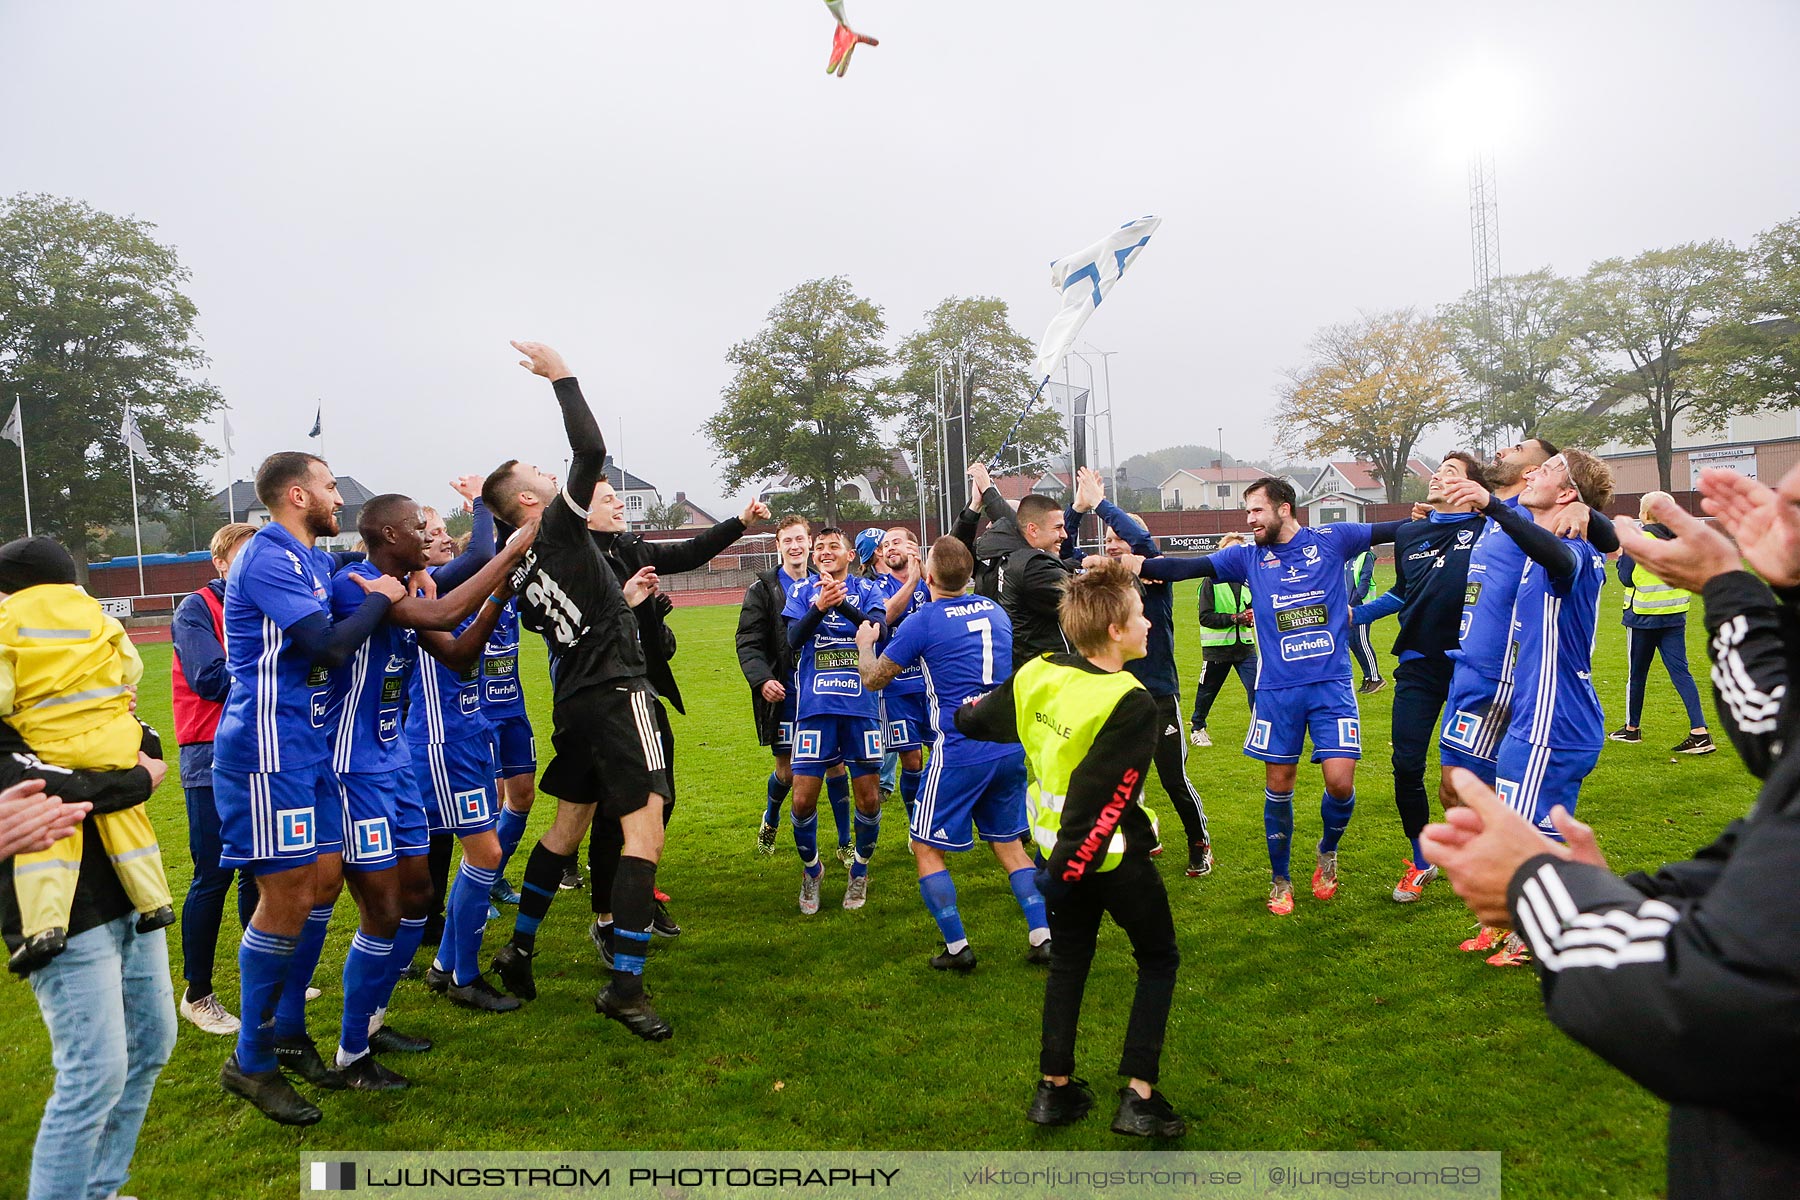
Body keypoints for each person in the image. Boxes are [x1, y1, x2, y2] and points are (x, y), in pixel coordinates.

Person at [480, 340, 674, 1042]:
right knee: (643, 825)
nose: (552, 472)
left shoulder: (523, 564)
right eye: (539, 473)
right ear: (533, 499)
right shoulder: (557, 525)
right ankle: (626, 985)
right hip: (618, 692)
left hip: (576, 699)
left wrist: (616, 600)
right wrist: (563, 378)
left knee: (567, 826)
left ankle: (518, 948)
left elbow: (571, 617)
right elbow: (588, 451)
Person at [211, 451, 408, 1125]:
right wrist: (382, 598)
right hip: (268, 751)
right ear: (297, 494)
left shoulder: (310, 560)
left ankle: (288, 1031)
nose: (337, 498)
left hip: (308, 749)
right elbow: (326, 645)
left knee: (321, 882)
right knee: (288, 893)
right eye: (327, 487)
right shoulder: (266, 557)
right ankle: (251, 1059)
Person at [955, 559, 1184, 1138]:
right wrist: (1065, 876)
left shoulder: (1040, 671)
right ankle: (1139, 1095)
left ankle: (1053, 1090)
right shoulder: (1133, 702)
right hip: (1103, 860)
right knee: (1158, 958)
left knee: (1069, 963)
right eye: (1139, 616)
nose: (1148, 625)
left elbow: (982, 720)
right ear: (1114, 632)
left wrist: (961, 712)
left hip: (1057, 855)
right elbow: (1101, 804)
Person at [1121, 477, 1402, 916]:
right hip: (1276, 692)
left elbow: (1396, 531)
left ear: (1284, 508)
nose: (1249, 519)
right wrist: (1139, 564)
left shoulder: (1333, 538)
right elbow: (1185, 567)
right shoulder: (1245, 557)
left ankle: (1327, 852)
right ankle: (1280, 878)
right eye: (1246, 512)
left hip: (1331, 686)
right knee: (1279, 785)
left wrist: (1438, 516)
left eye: (1256, 511)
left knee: (1340, 783)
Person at [1435, 436, 1618, 958]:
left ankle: (1544, 934)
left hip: (1554, 718)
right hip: (1532, 715)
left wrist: (1491, 504)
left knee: (1536, 838)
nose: (1532, 474)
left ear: (1567, 496)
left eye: (1549, 470)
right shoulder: (1548, 539)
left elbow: (1560, 554)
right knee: (1521, 831)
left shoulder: (1571, 553)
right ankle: (1525, 925)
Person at [582, 492, 767, 957]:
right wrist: (626, 602)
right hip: (599, 695)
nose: (620, 505)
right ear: (582, 508)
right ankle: (605, 917)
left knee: (659, 800)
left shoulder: (629, 547)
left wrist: (739, 521)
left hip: (642, 688)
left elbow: (689, 553)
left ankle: (637, 891)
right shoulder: (575, 560)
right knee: (609, 810)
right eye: (608, 499)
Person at [855, 536, 1050, 969]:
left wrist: (865, 643)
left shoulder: (923, 621)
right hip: (1006, 744)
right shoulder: (996, 611)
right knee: (1009, 845)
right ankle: (1043, 934)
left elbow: (873, 679)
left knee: (924, 846)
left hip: (959, 749)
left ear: (928, 577)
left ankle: (957, 948)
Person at [2, 726, 171, 1200]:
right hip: (55, 907)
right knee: (94, 1071)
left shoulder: (85, 683)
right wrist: (132, 781)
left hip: (132, 887)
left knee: (152, 1042)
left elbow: (148, 746)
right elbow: (35, 788)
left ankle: (100, 1190)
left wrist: (113, 740)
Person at [0, 536, 172, 976]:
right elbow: (142, 730)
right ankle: (156, 902)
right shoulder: (94, 615)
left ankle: (45, 926)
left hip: (56, 745)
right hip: (110, 745)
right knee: (83, 827)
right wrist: (134, 774)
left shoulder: (7, 621)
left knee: (50, 844)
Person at [1349, 452, 1488, 903]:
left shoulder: (1491, 528)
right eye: (1439, 470)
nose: (1439, 476)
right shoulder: (1409, 532)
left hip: (1474, 668)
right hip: (1417, 665)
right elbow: (1401, 592)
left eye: (1453, 472)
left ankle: (1486, 853)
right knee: (1406, 765)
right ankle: (1421, 860)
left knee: (1466, 777)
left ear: (1471, 489)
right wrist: (1354, 614)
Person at [1070, 468, 1212, 876]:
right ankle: (1141, 837)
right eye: (1110, 539)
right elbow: (1058, 548)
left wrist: (1100, 504)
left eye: (1121, 538)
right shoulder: (1101, 579)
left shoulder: (1155, 573)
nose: (1114, 545)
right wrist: (1078, 509)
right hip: (1112, 694)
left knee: (1173, 779)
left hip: (1157, 693)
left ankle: (1199, 842)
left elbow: (1144, 542)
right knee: (1118, 781)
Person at [170, 520, 261, 1034]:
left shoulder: (265, 601)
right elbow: (209, 679)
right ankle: (198, 994)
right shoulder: (197, 608)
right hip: (207, 753)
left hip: (259, 750)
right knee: (213, 875)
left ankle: (259, 973)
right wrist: (276, 665)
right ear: (221, 563)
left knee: (256, 869)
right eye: (244, 557)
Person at [781, 526, 889, 912]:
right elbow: (793, 639)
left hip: (860, 709)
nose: (826, 551)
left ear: (848, 555)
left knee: (869, 798)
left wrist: (838, 603)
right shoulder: (800, 591)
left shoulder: (869, 589)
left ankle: (859, 871)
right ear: (813, 557)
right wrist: (819, 606)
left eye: (834, 547)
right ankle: (812, 871)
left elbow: (878, 630)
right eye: (820, 547)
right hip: (815, 709)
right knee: (803, 800)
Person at [737, 514, 840, 854]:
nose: (795, 546)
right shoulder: (763, 590)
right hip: (784, 693)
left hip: (823, 691)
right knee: (788, 772)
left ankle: (845, 843)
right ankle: (771, 817)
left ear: (809, 544)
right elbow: (748, 641)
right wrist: (762, 678)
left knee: (835, 765)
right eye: (787, 541)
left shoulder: (823, 583)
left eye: (800, 539)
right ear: (778, 546)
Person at [1610, 491, 1714, 755]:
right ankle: (1699, 732)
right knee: (1682, 673)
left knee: (1637, 675)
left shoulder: (1639, 539)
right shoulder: (1684, 540)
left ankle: (1632, 729)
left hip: (1643, 617)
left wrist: (1624, 557)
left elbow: (1626, 578)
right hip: (1675, 616)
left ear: (1644, 515)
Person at [967, 460, 1075, 670]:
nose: (1064, 534)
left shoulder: (1007, 562)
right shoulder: (1029, 566)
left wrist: (976, 505)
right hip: (1040, 672)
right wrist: (985, 495)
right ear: (1030, 529)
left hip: (1011, 670)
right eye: (1058, 527)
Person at [873, 527, 929, 828]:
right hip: (897, 689)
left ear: (913, 547)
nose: (889, 548)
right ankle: (916, 825)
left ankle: (941, 812)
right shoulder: (878, 586)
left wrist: (924, 577)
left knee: (944, 753)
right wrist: (912, 581)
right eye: (885, 545)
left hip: (933, 687)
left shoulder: (931, 583)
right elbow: (885, 617)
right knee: (912, 760)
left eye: (896, 543)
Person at [1189, 531, 1258, 750]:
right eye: (1229, 551)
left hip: (1245, 648)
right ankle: (1197, 728)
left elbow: (1252, 608)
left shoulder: (1249, 581)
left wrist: (1250, 617)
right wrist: (1236, 619)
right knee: (1207, 692)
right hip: (1218, 649)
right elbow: (1205, 617)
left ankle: (1261, 729)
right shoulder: (1210, 582)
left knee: (1258, 688)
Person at [1344, 547, 1384, 694]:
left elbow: (1364, 581)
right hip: (1349, 606)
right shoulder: (1349, 557)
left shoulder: (1365, 556)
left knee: (1362, 642)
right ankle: (1368, 676)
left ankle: (1375, 678)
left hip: (1361, 607)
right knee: (1354, 643)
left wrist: (1354, 602)